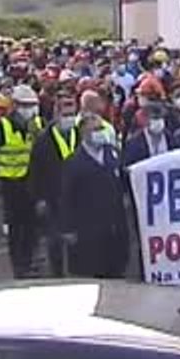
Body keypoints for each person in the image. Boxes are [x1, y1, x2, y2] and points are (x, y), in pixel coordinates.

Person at [0, 84, 44, 277]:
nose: (30, 110)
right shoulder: (3, 126)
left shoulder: (39, 125)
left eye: (33, 105)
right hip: (10, 183)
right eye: (26, 105)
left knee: (32, 224)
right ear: (15, 106)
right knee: (17, 227)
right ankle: (20, 265)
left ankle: (31, 259)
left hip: (31, 182)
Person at [61, 114, 129, 278]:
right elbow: (66, 198)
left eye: (101, 129)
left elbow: (123, 182)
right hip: (88, 231)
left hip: (114, 229)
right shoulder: (74, 162)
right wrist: (68, 229)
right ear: (84, 132)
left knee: (117, 272)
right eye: (95, 129)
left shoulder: (113, 154)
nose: (100, 133)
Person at [30, 91, 79, 277]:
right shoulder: (43, 140)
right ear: (57, 114)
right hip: (52, 197)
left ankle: (75, 271)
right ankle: (57, 274)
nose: (70, 118)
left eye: (72, 113)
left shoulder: (80, 134)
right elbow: (35, 171)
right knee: (54, 240)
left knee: (75, 239)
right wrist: (39, 198)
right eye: (66, 114)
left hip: (76, 197)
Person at [123, 101, 176, 167]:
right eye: (155, 118)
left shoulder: (171, 139)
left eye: (161, 118)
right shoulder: (134, 142)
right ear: (147, 119)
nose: (158, 121)